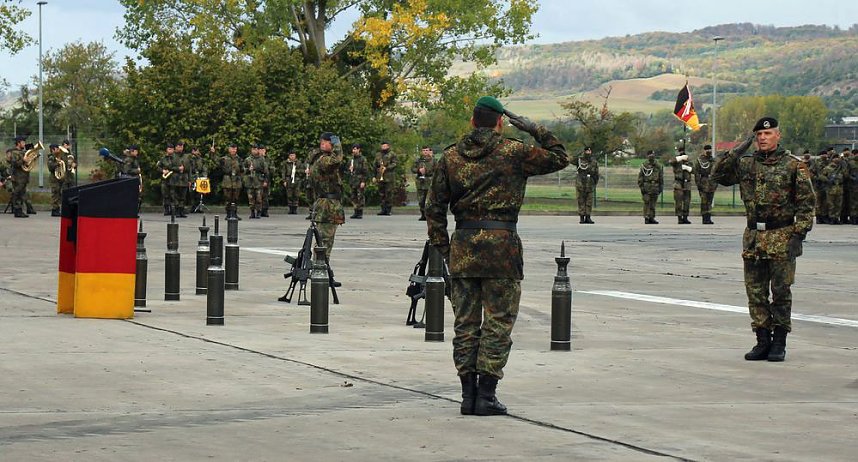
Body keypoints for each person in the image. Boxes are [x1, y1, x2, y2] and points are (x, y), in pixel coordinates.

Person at [425, 96, 568, 416]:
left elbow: (433, 209)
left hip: (463, 247)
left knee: (465, 325)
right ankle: (486, 394)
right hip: (502, 248)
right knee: (498, 321)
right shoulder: (514, 152)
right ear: (500, 122)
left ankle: (467, 395)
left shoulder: (450, 157)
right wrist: (534, 128)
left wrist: (445, 248)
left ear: (473, 121)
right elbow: (561, 157)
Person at [712, 117, 814, 362]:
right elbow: (719, 175)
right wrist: (737, 150)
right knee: (755, 293)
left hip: (782, 235)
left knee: (780, 292)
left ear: (778, 136)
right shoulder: (746, 164)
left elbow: (806, 204)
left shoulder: (793, 166)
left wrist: (799, 234)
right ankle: (762, 340)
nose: (762, 138)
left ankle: (779, 341)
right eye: (758, 135)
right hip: (754, 238)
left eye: (768, 134)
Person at [309, 133, 345, 258]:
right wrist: (338, 145)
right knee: (324, 241)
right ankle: (319, 271)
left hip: (328, 204)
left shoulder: (321, 159)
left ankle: (322, 270)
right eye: (332, 143)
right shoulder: (323, 160)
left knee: (325, 241)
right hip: (327, 206)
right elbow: (336, 160)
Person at [573, 146, 599, 224]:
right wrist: (579, 154)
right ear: (584, 151)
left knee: (589, 201)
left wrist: (595, 182)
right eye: (587, 151)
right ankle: (581, 217)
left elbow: (596, 173)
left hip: (589, 183)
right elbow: (571, 160)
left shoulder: (594, 162)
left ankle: (588, 217)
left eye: (590, 151)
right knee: (580, 200)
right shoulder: (579, 160)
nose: (588, 152)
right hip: (580, 183)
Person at [820, 148, 846, 225]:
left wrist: (843, 165)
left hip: (839, 189)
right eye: (835, 158)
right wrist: (827, 180)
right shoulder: (828, 168)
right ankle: (831, 218)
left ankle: (836, 218)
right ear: (832, 159)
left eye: (837, 157)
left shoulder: (841, 168)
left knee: (838, 205)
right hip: (830, 189)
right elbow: (821, 176)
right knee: (831, 205)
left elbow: (846, 176)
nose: (836, 159)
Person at [637, 150, 663, 224]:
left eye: (653, 154)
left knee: (653, 203)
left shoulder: (658, 165)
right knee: (647, 202)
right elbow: (640, 177)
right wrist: (641, 187)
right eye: (650, 155)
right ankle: (646, 217)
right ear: (647, 156)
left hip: (655, 186)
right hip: (647, 186)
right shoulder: (644, 165)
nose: (652, 156)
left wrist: (661, 186)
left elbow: (661, 177)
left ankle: (652, 217)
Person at [694, 144, 717, 224]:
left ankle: (709, 217)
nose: (708, 151)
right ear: (704, 151)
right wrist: (698, 184)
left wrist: (715, 183)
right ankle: (704, 218)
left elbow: (717, 172)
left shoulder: (714, 160)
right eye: (707, 149)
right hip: (703, 182)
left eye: (710, 149)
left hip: (712, 183)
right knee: (704, 201)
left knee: (709, 201)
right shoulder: (700, 160)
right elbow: (696, 172)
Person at [46, 144, 72, 216]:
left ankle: (58, 209)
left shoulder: (59, 157)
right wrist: (58, 163)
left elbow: (65, 165)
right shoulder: (51, 157)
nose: (58, 150)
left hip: (60, 178)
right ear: (53, 150)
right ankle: (54, 210)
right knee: (55, 193)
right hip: (54, 178)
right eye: (57, 149)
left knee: (59, 194)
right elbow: (50, 167)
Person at [669, 147, 693, 224]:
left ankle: (685, 217)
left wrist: (687, 168)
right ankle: (679, 218)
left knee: (687, 202)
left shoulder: (689, 162)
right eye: (681, 152)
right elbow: (671, 161)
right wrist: (680, 158)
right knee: (678, 202)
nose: (682, 153)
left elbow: (695, 170)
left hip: (687, 184)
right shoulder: (676, 162)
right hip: (678, 184)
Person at [219, 143, 243, 219]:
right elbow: (218, 164)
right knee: (228, 198)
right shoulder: (224, 159)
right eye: (232, 149)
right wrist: (213, 153)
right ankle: (228, 213)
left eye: (235, 149)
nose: (233, 150)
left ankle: (234, 213)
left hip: (236, 181)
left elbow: (242, 169)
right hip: (227, 181)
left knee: (235, 198)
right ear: (229, 149)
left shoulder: (239, 159)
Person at [8, 136, 30, 218]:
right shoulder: (14, 152)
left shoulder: (22, 152)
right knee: (17, 193)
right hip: (17, 177)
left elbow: (25, 164)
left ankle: (20, 211)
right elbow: (15, 163)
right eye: (23, 142)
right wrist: (23, 161)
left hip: (23, 176)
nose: (24, 144)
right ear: (18, 143)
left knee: (22, 194)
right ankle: (17, 211)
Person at [244, 143, 268, 219]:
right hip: (250, 181)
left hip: (258, 181)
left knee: (258, 198)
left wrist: (265, 181)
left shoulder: (261, 159)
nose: (254, 151)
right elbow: (243, 170)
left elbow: (266, 171)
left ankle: (258, 212)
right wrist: (248, 169)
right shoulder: (247, 159)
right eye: (253, 149)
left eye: (256, 149)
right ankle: (252, 212)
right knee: (251, 198)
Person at [412, 145, 436, 221]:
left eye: (426, 150)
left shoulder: (433, 160)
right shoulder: (418, 160)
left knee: (429, 200)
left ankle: (429, 215)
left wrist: (428, 171)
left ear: (429, 151)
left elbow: (437, 170)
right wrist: (419, 170)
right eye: (424, 150)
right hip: (420, 182)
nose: (425, 152)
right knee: (421, 200)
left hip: (429, 181)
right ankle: (423, 214)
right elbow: (413, 168)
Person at [374, 141, 397, 215]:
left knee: (389, 193)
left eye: (385, 146)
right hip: (380, 176)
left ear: (388, 146)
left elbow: (395, 163)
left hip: (389, 177)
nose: (383, 147)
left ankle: (388, 209)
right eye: (382, 146)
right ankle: (383, 209)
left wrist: (386, 168)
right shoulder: (378, 154)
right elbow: (375, 165)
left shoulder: (392, 154)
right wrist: (375, 175)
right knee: (381, 193)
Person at [119, 145, 144, 213]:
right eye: (136, 151)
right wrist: (137, 171)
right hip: (131, 180)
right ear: (132, 151)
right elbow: (127, 170)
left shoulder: (134, 159)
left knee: (138, 197)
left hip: (136, 180)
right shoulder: (129, 159)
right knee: (132, 197)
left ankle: (135, 211)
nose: (137, 153)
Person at [348, 143, 369, 219]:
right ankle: (355, 211)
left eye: (355, 149)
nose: (354, 151)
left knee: (360, 196)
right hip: (353, 180)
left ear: (359, 150)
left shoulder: (362, 159)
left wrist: (363, 181)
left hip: (360, 180)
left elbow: (365, 171)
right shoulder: (351, 159)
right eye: (353, 149)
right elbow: (348, 170)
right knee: (353, 196)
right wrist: (349, 168)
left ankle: (360, 212)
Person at [156, 144, 175, 216]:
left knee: (173, 195)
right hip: (165, 179)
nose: (171, 150)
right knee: (165, 195)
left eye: (172, 149)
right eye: (169, 149)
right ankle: (166, 210)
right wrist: (163, 171)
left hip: (173, 179)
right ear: (167, 150)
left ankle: (173, 209)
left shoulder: (175, 158)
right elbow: (158, 167)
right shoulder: (163, 158)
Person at [259, 144, 271, 217]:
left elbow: (272, 168)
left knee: (265, 196)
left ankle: (265, 210)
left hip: (267, 178)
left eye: (263, 150)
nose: (261, 152)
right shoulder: (257, 159)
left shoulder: (268, 159)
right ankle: (259, 210)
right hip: (258, 179)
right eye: (260, 150)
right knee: (259, 195)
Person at [848, 149, 858, 225]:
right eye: (856, 154)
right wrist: (852, 178)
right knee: (853, 203)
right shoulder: (850, 163)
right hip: (853, 186)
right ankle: (853, 218)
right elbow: (846, 173)